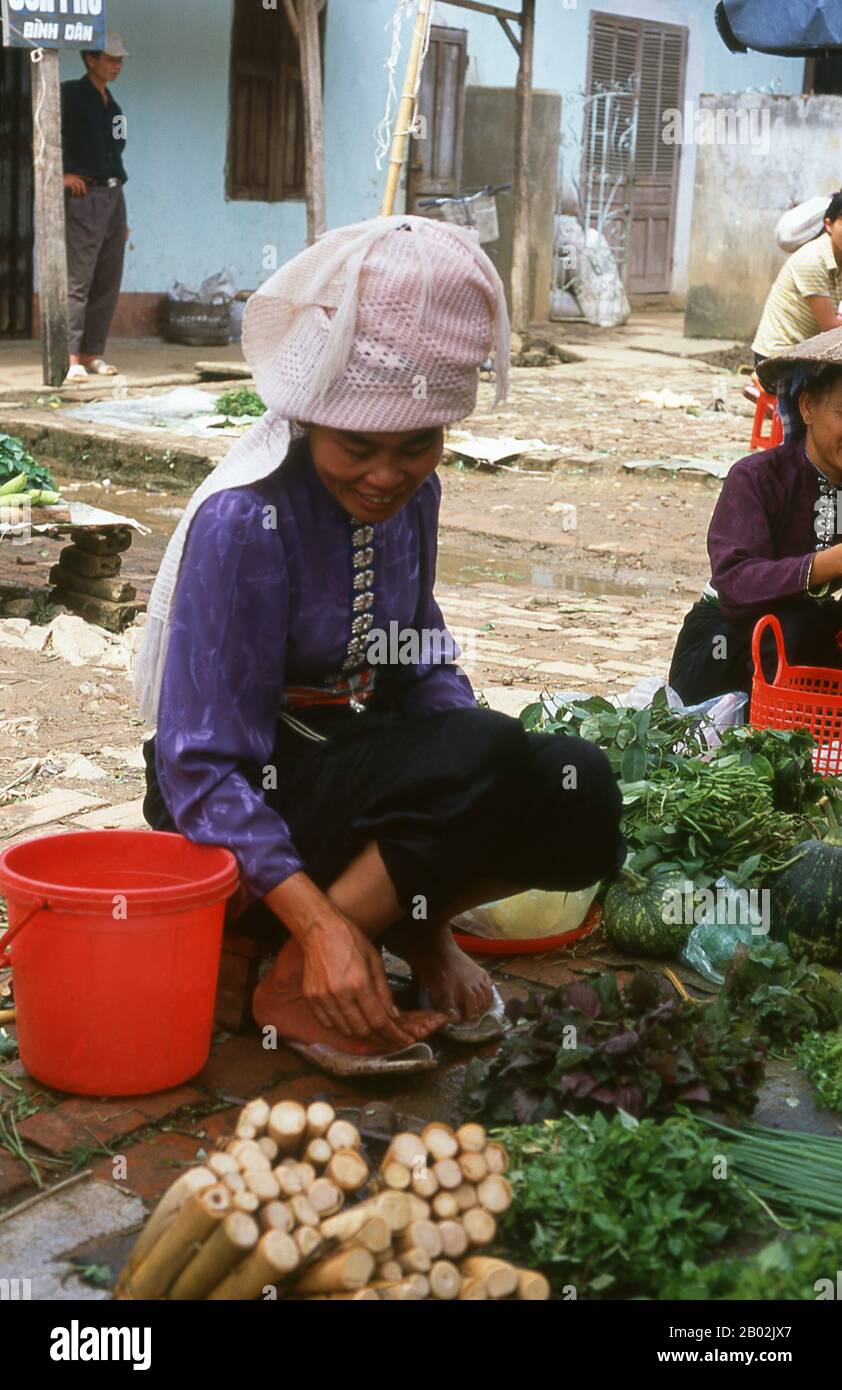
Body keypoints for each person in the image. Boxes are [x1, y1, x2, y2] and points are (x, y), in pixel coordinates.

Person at [137, 216, 625, 1076]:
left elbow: (418, 650)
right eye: (357, 447)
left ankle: (372, 938)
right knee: (475, 755)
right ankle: (302, 961)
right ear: (310, 413)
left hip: (355, 787)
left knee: (576, 788)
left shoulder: (412, 500)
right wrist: (320, 922)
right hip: (240, 813)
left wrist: (475, 792)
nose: (387, 476)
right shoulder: (246, 522)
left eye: (417, 448)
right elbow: (200, 769)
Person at [669, 326, 842, 706]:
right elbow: (736, 584)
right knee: (788, 629)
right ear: (808, 407)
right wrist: (829, 563)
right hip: (725, 644)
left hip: (806, 632)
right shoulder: (755, 477)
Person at [61, 28, 130, 383]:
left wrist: (120, 210)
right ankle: (70, 357)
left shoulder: (114, 108)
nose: (116, 66)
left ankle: (91, 353)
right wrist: (59, 175)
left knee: (107, 277)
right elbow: (41, 133)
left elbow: (119, 151)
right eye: (110, 59)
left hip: (113, 195)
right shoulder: (70, 95)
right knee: (79, 278)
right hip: (83, 196)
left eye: (119, 60)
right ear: (91, 59)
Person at [752, 192, 842, 366]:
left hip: (809, 353)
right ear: (829, 225)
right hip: (778, 359)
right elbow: (830, 327)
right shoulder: (813, 259)